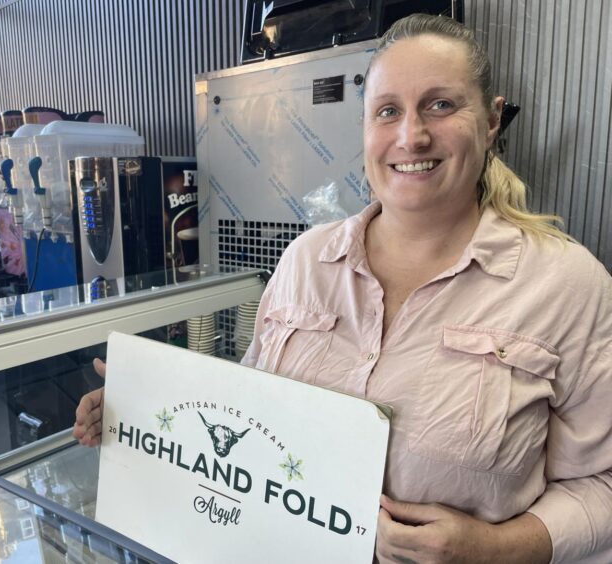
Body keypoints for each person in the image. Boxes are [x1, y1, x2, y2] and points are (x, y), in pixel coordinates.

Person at [74, 14, 612, 563]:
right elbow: (249, 419)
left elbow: (605, 483)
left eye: (441, 105)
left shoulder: (567, 286)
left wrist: (497, 548)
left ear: (493, 120)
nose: (411, 135)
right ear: (364, 127)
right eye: (387, 112)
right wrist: (140, 407)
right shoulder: (306, 261)